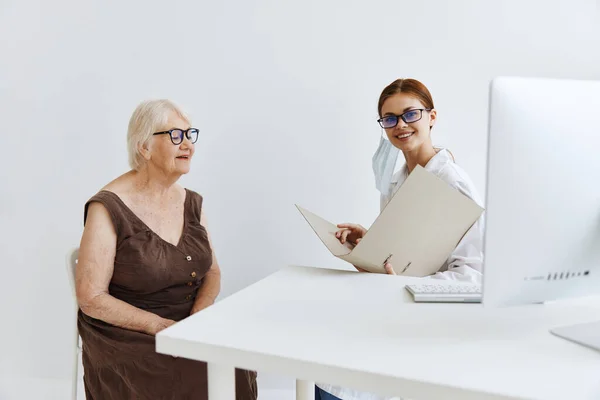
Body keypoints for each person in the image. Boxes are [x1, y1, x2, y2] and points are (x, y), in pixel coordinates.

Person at [75, 99, 257, 400]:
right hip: (128, 333)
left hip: (186, 322)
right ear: (144, 147)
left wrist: (199, 315)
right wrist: (160, 326)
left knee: (238, 357)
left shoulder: (191, 201)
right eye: (175, 136)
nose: (188, 145)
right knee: (198, 368)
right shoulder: (107, 206)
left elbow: (212, 271)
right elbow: (91, 298)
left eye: (190, 135)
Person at [316, 78, 485, 400]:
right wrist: (369, 242)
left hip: (428, 314)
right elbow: (408, 246)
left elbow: (473, 274)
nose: (400, 125)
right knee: (322, 360)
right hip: (395, 302)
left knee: (337, 372)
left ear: (431, 117)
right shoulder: (399, 178)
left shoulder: (451, 182)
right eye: (390, 118)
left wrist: (405, 283)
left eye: (410, 114)